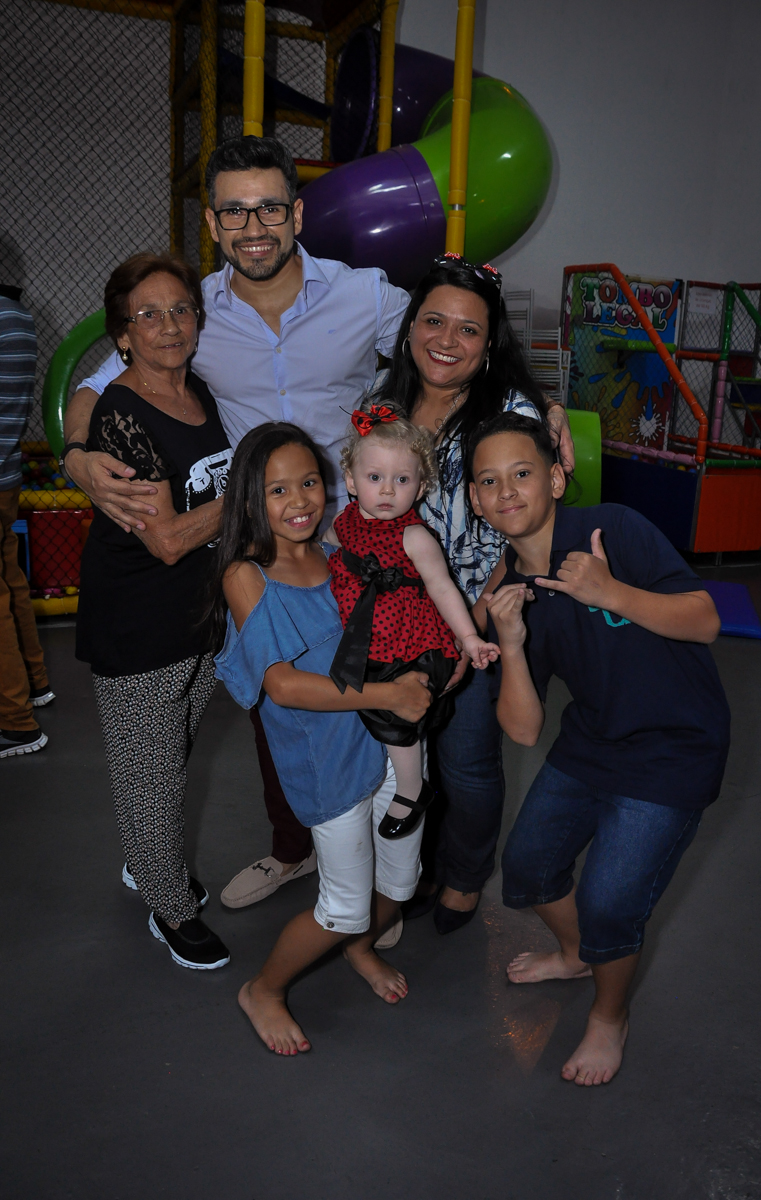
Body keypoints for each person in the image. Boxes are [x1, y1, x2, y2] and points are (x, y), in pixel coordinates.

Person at [61, 134, 413, 912]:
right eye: (233, 212)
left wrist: (530, 409)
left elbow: (447, 343)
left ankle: (390, 876)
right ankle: (296, 850)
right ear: (213, 224)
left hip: (355, 541)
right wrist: (78, 454)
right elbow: (96, 381)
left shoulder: (364, 295)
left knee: (382, 694)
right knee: (279, 709)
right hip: (258, 553)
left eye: (268, 208)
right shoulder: (192, 314)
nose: (253, 227)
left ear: (297, 212)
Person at [467, 411, 730, 1086]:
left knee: (611, 902)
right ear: (475, 500)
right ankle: (577, 954)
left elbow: (704, 620)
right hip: (592, 741)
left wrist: (608, 590)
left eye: (522, 473)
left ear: (555, 479)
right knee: (528, 867)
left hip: (674, 746)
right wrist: (512, 647)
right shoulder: (506, 592)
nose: (506, 491)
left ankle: (610, 1015)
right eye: (489, 481)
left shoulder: (610, 528)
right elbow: (524, 730)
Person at [212, 422, 432, 1054]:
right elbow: (282, 685)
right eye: (277, 489)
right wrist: (390, 696)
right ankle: (264, 989)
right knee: (343, 906)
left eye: (309, 482)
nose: (299, 500)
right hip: (326, 766)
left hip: (386, 745)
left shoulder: (338, 550)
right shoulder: (247, 575)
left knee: (401, 881)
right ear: (251, 498)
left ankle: (358, 950)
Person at [372, 252, 564, 934]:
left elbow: (517, 535)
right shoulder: (379, 406)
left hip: (477, 617)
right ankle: (414, 869)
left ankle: (462, 877)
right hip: (391, 622)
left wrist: (467, 633)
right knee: (400, 756)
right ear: (408, 328)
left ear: (489, 346)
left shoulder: (510, 413)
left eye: (468, 329)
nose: (446, 340)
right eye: (434, 321)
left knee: (466, 761)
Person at [76, 252, 232, 970]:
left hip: (199, 616)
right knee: (150, 773)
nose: (169, 326)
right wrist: (249, 495)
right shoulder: (120, 415)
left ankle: (148, 861)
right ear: (123, 335)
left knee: (171, 755)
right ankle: (169, 909)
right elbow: (167, 540)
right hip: (138, 620)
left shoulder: (198, 391)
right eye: (149, 315)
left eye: (181, 310)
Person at [326, 402, 499, 839]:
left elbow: (443, 588)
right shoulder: (344, 523)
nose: (387, 490)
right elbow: (321, 556)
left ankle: (411, 788)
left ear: (421, 487)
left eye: (402, 480)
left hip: (407, 644)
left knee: (395, 718)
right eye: (374, 478)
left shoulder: (415, 536)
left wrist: (468, 637)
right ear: (351, 481)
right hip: (361, 639)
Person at [0, 284, 54, 759]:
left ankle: (14, 722)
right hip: (6, 475)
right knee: (10, 579)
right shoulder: (15, 314)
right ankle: (34, 683)